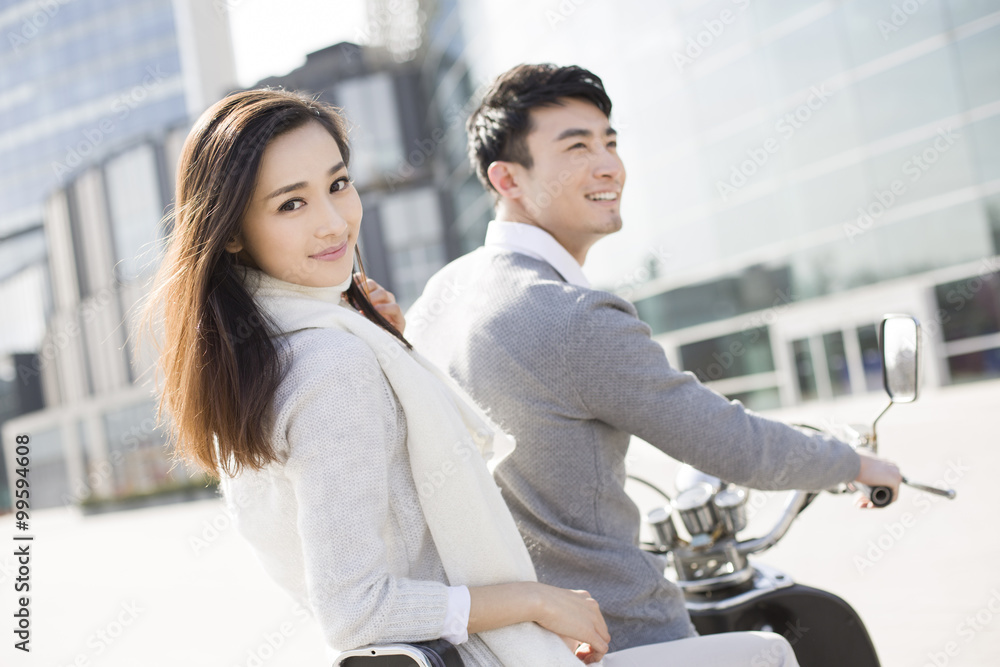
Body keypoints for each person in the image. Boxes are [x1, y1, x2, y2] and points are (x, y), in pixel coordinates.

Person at [406, 63, 903, 660]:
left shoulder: (443, 293)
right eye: (576, 147)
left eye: (609, 142)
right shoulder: (571, 316)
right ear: (507, 178)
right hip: (624, 633)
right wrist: (854, 462)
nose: (609, 164)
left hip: (504, 643)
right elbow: (732, 444)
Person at [142, 88, 620, 666]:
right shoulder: (332, 364)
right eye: (291, 204)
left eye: (338, 184)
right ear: (233, 231)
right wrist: (534, 602)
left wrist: (390, 346)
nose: (333, 223)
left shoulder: (263, 354)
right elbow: (356, 609)